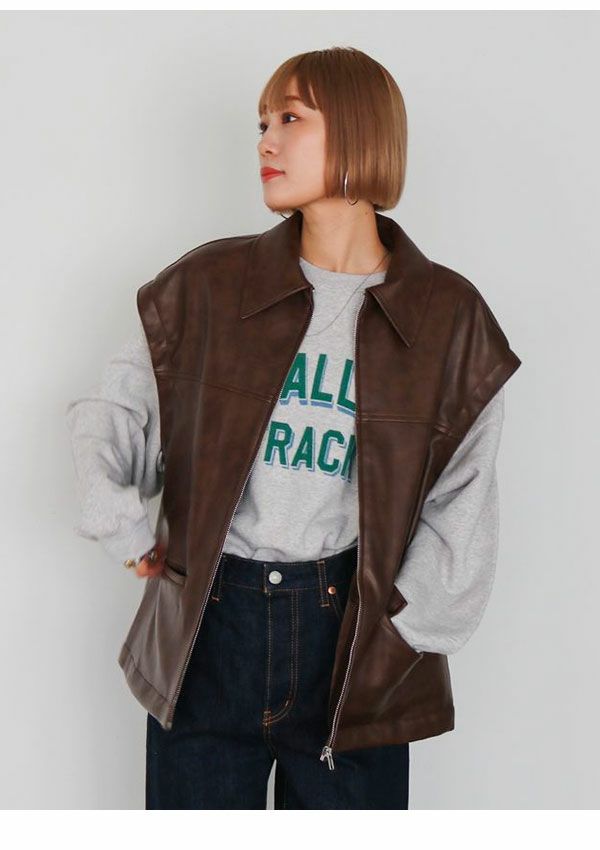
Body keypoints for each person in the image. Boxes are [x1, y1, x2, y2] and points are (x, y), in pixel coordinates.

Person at [66, 46, 520, 809]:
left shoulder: (447, 316)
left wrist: (403, 631)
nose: (266, 142)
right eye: (261, 125)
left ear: (361, 132)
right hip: (208, 632)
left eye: (290, 119)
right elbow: (115, 413)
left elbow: (464, 496)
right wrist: (120, 522)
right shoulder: (208, 286)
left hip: (351, 645)